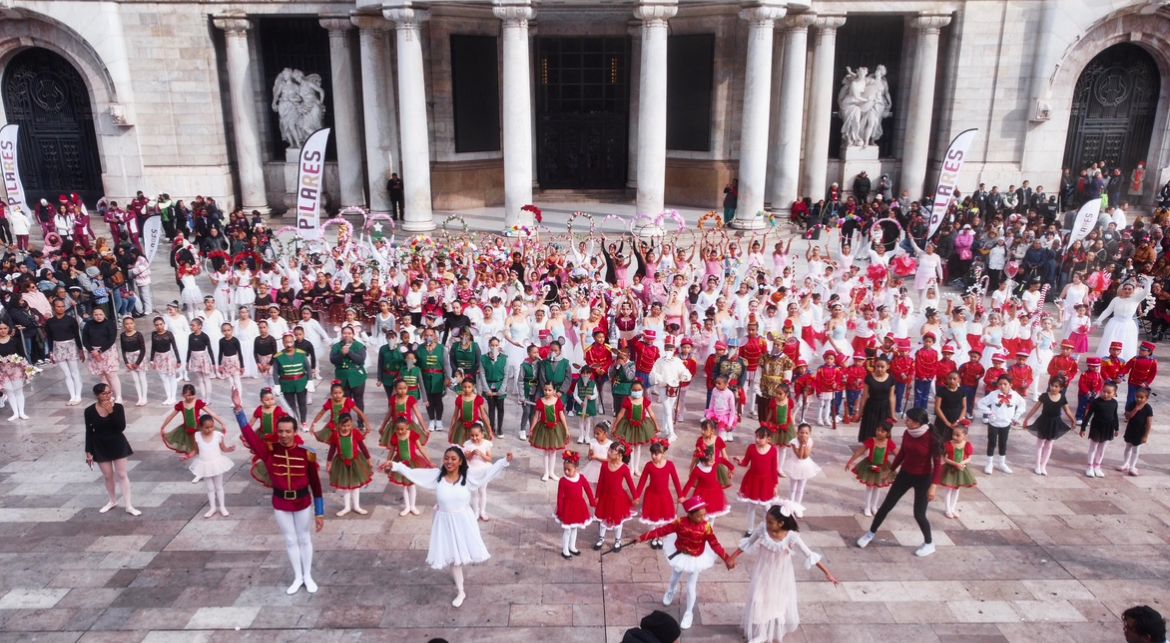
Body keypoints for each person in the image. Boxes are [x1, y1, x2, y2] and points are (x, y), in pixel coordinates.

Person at [386, 446, 513, 608]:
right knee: (454, 559)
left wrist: (504, 461)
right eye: (446, 458)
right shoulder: (437, 476)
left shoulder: (468, 476)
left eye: (453, 459)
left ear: (460, 462)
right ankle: (461, 591)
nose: (449, 462)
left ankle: (459, 580)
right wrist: (395, 466)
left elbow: (488, 472)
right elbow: (414, 473)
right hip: (444, 522)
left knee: (461, 554)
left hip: (463, 522)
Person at [233, 405, 326, 595]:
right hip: (281, 503)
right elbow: (250, 437)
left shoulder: (306, 453)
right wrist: (239, 412)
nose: (284, 435)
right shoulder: (269, 451)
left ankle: (308, 576)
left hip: (302, 501)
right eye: (281, 431)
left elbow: (316, 484)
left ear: (295, 432)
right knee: (290, 540)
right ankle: (297, 576)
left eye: (288, 431)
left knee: (304, 538)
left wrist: (320, 512)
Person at [728, 502, 839, 642]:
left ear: (781, 523)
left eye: (770, 522)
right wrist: (732, 557)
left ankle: (773, 620)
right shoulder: (762, 529)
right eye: (766, 520)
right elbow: (748, 542)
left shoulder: (791, 537)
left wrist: (828, 573)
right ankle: (761, 633)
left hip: (780, 575)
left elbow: (809, 554)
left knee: (775, 600)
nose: (766, 524)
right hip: (763, 572)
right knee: (757, 599)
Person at [637, 496, 736, 630]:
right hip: (680, 555)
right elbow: (661, 530)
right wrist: (642, 537)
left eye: (704, 515)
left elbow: (715, 544)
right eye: (699, 516)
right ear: (690, 514)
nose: (703, 518)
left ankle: (689, 612)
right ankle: (671, 591)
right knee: (674, 577)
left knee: (691, 586)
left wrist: (726, 558)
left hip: (696, 559)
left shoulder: (706, 527)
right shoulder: (680, 523)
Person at [856, 407, 942, 557]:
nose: (905, 422)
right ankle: (870, 534)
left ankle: (929, 543)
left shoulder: (931, 438)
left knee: (919, 514)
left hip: (923, 478)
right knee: (886, 506)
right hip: (905, 475)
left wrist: (933, 486)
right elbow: (902, 453)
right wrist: (890, 470)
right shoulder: (908, 433)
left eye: (908, 420)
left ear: (917, 422)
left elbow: (938, 465)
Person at [84, 383, 140, 516]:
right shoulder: (89, 411)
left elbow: (121, 427)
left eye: (109, 392)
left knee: (122, 474)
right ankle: (112, 500)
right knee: (108, 475)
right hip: (100, 445)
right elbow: (89, 431)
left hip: (117, 443)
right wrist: (88, 450)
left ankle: (128, 505)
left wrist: (111, 412)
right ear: (97, 395)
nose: (108, 396)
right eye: (104, 393)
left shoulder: (118, 407)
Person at [974, 375, 1027, 475]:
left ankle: (1001, 463)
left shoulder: (1015, 395)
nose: (1002, 386)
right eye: (1000, 384)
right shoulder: (993, 394)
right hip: (994, 423)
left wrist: (1016, 416)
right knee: (992, 442)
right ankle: (989, 463)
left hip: (1006, 423)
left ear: (1010, 385)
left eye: (1005, 384)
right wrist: (989, 412)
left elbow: (1022, 404)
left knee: (1003, 443)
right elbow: (981, 403)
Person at [845, 418, 898, 517]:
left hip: (883, 468)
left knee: (877, 488)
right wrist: (850, 461)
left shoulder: (889, 443)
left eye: (882, 431)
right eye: (878, 430)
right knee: (869, 487)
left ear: (887, 433)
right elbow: (860, 451)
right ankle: (867, 507)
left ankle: (874, 506)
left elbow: (898, 455)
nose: (879, 432)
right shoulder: (871, 441)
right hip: (870, 466)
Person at [187, 413, 236, 518]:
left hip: (216, 463)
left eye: (211, 427)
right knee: (209, 488)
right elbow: (196, 450)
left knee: (219, 486)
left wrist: (230, 449)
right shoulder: (197, 436)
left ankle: (222, 507)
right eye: (206, 427)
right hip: (204, 465)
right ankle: (212, 508)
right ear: (200, 427)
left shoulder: (218, 435)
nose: (209, 429)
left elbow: (223, 448)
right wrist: (188, 456)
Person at [1023, 380, 1075, 476]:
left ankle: (1043, 465)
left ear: (1061, 388)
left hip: (1055, 423)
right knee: (1040, 444)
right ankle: (1037, 465)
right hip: (1044, 421)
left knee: (1049, 445)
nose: (1053, 388)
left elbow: (1067, 411)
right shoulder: (1044, 396)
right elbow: (1035, 408)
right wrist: (1026, 419)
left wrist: (1073, 420)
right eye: (1052, 385)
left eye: (1056, 386)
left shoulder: (1062, 398)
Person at [735, 428, 781, 535]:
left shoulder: (773, 450)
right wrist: (739, 462)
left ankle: (768, 528)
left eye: (761, 437)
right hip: (753, 481)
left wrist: (775, 485)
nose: (757, 439)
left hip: (766, 482)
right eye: (756, 436)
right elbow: (745, 462)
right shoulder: (751, 448)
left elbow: (774, 469)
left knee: (766, 507)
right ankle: (750, 530)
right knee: (751, 506)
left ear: (768, 439)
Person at [385, 418, 433, 516]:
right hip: (400, 463)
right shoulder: (395, 436)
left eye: (402, 429)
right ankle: (407, 506)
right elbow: (391, 451)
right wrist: (388, 462)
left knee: (411, 485)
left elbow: (421, 448)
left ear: (407, 426)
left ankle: (413, 506)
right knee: (404, 486)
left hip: (412, 463)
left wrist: (429, 461)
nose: (400, 431)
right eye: (398, 429)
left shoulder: (412, 435)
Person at [554, 449, 595, 559]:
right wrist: (560, 511)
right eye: (564, 469)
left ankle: (572, 546)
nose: (566, 472)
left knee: (574, 528)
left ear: (576, 469)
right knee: (567, 529)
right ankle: (565, 549)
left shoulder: (581, 478)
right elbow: (560, 497)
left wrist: (592, 501)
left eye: (569, 469)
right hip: (567, 508)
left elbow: (588, 490)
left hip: (578, 507)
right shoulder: (563, 481)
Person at [46, 298, 85, 405]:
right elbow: (49, 338)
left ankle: (78, 395)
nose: (61, 308)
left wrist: (80, 349)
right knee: (67, 374)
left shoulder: (71, 320)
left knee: (74, 372)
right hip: (57, 347)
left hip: (71, 345)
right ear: (54, 307)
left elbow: (77, 335)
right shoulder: (49, 322)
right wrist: (51, 352)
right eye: (58, 306)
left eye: (63, 306)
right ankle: (72, 395)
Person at [82, 308, 122, 405]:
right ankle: (108, 396)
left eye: (100, 314)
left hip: (107, 351)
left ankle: (118, 396)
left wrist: (100, 351)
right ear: (92, 315)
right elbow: (85, 339)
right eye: (96, 314)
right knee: (103, 376)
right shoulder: (88, 324)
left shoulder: (109, 324)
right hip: (93, 352)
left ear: (104, 315)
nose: (98, 316)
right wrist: (91, 350)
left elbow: (111, 339)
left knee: (111, 375)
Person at [1080, 382, 1119, 478]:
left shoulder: (1114, 403)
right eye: (1104, 391)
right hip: (1096, 427)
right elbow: (1088, 415)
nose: (1105, 394)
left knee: (1102, 449)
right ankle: (1090, 467)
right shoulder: (1096, 402)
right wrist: (1083, 428)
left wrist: (1116, 428)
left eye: (1109, 393)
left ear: (1114, 394)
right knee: (1093, 447)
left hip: (1108, 428)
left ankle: (1097, 466)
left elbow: (1115, 416)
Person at [330, 326, 367, 426]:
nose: (347, 335)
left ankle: (361, 422)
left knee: (358, 400)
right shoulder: (336, 346)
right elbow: (333, 360)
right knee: (345, 400)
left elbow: (360, 360)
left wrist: (349, 352)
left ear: (353, 334)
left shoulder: (359, 346)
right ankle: (346, 422)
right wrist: (341, 353)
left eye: (349, 333)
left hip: (357, 377)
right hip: (342, 377)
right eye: (344, 333)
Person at [938, 422, 975, 519]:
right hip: (950, 469)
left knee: (956, 489)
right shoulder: (949, 444)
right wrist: (956, 464)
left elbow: (969, 458)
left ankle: (952, 508)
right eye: (953, 434)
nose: (954, 437)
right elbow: (945, 458)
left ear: (965, 435)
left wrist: (962, 463)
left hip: (961, 469)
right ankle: (947, 509)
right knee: (948, 489)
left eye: (958, 435)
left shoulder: (967, 445)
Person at [274, 333, 312, 422]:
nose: (289, 345)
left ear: (293, 342)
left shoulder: (301, 354)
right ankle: (294, 421)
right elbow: (275, 372)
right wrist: (277, 384)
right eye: (286, 342)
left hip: (301, 383)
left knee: (302, 403)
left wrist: (310, 380)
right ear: (283, 343)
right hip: (286, 384)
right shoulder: (278, 356)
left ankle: (303, 421)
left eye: (291, 342)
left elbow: (308, 368)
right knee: (291, 405)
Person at [782, 423, 821, 505]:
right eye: (801, 432)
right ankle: (790, 505)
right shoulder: (794, 442)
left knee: (800, 489)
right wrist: (802, 444)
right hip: (794, 466)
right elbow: (799, 456)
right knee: (793, 489)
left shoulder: (810, 441)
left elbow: (805, 456)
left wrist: (805, 444)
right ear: (797, 433)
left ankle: (797, 505)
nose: (804, 435)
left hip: (805, 466)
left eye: (806, 433)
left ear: (809, 434)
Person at [1119, 387, 1153, 476]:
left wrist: (1145, 436)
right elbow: (1128, 417)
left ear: (1146, 398)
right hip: (1131, 429)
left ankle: (1132, 466)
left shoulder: (1148, 408)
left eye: (1141, 398)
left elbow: (1149, 423)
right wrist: (1136, 409)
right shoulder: (1132, 404)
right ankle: (1125, 463)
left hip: (1140, 432)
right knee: (1128, 447)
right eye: (1137, 397)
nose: (1139, 399)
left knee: (1136, 449)